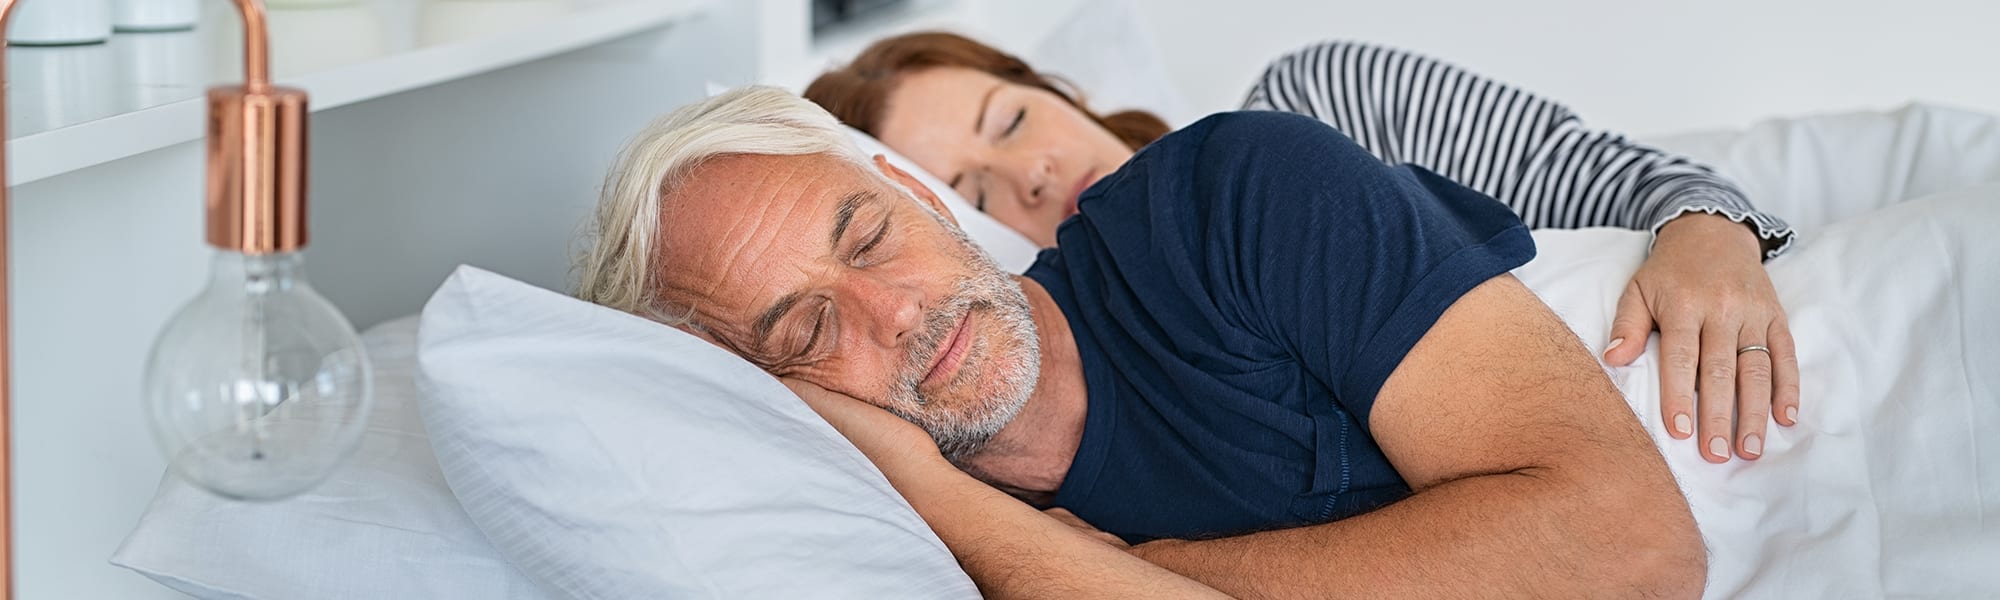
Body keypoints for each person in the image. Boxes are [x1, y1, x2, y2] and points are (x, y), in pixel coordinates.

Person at [575, 86, 1705, 597]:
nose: (898, 315)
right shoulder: (894, 547)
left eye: (867, 238)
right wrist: (949, 504)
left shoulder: (1228, 192)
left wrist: (1145, 574)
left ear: (915, 191)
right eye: (810, 328)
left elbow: (1634, 552)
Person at [805, 32, 1801, 464]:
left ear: (1060, 94)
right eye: (972, 194)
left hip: (1762, 358)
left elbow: (1619, 176)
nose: (1024, 174)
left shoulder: (1315, 100)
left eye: (1012, 120)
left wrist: (1710, 236)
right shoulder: (1124, 422)